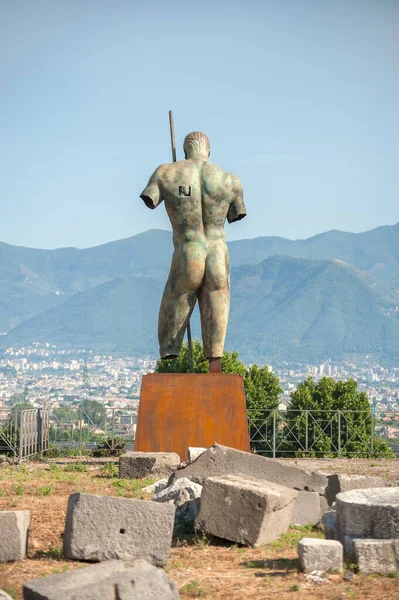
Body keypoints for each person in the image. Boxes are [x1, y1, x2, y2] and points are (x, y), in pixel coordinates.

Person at [140, 131, 246, 371]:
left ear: (186, 151)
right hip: (217, 252)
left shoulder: (166, 172)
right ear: (209, 151)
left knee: (174, 297)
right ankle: (215, 363)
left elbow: (151, 198)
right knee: (218, 301)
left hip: (189, 251)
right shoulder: (230, 180)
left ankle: (170, 352)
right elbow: (235, 214)